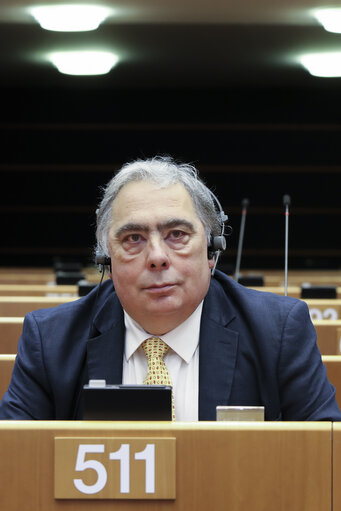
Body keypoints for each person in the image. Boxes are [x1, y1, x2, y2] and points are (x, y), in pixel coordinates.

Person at [0, 156, 340, 421]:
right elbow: (16, 462)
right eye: (133, 238)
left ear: (211, 250)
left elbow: (325, 459)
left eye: (177, 234)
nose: (157, 257)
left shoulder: (277, 331)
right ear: (107, 259)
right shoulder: (51, 339)